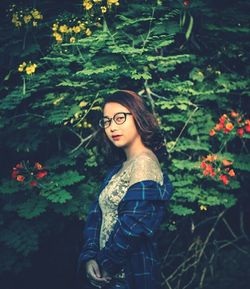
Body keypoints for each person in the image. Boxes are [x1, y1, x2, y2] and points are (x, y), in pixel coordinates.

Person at [77, 90, 173, 289]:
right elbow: (96, 216)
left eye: (120, 118)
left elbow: (133, 228)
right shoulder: (119, 168)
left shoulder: (144, 164)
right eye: (107, 121)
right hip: (105, 276)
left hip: (129, 277)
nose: (112, 127)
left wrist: (104, 264)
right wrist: (89, 257)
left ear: (137, 116)